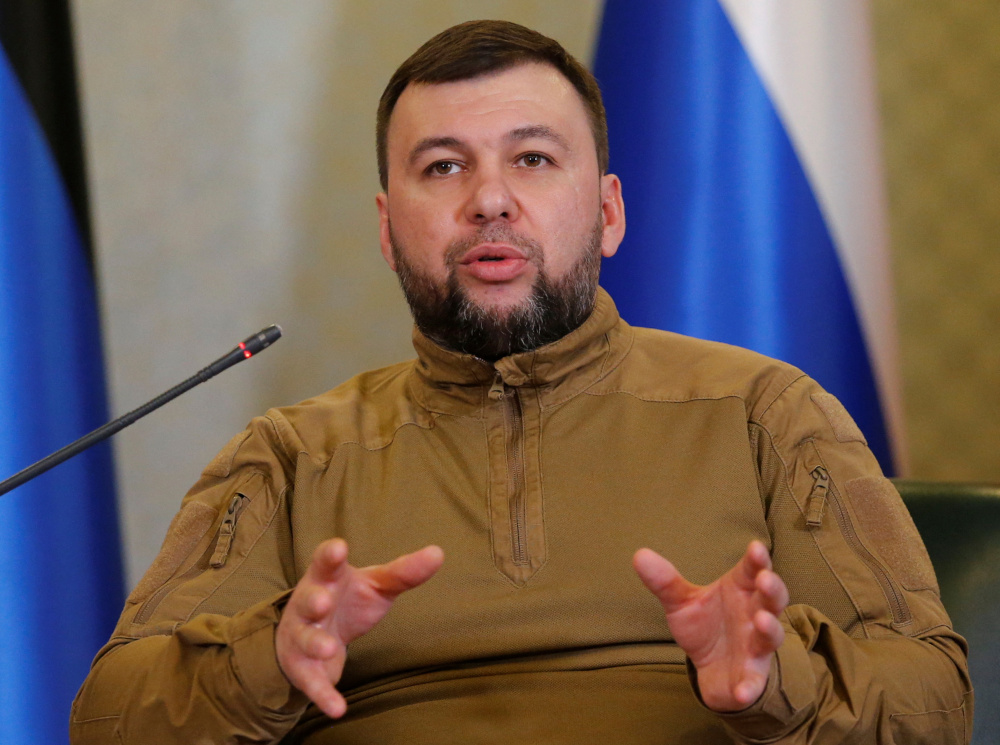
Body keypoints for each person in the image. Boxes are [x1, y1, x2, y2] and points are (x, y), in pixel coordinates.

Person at [70, 20, 972, 745]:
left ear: (609, 212)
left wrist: (777, 681)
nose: (491, 198)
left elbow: (937, 701)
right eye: (444, 166)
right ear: (388, 231)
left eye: (533, 158)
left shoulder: (767, 415)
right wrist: (269, 656)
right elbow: (107, 717)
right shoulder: (291, 457)